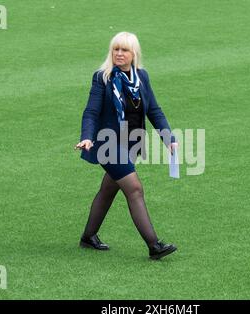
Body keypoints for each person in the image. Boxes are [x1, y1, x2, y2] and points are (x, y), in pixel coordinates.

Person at [74, 31, 178, 260]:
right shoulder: (102, 77)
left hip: (130, 143)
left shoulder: (142, 77)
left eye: (125, 50)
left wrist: (168, 138)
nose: (119, 54)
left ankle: (88, 237)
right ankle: (154, 245)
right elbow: (91, 111)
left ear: (134, 54)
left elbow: (154, 110)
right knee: (134, 188)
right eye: (116, 49)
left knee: (108, 190)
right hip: (107, 142)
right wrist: (88, 136)